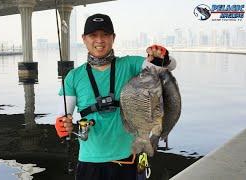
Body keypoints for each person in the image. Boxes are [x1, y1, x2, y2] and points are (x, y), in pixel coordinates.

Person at [54, 13, 176, 180]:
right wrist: (63, 126)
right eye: (93, 35)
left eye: (105, 35)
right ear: (84, 39)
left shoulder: (130, 64)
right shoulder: (73, 77)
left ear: (113, 38)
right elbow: (62, 117)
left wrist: (162, 56)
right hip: (90, 161)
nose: (99, 40)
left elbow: (168, 66)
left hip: (130, 157)